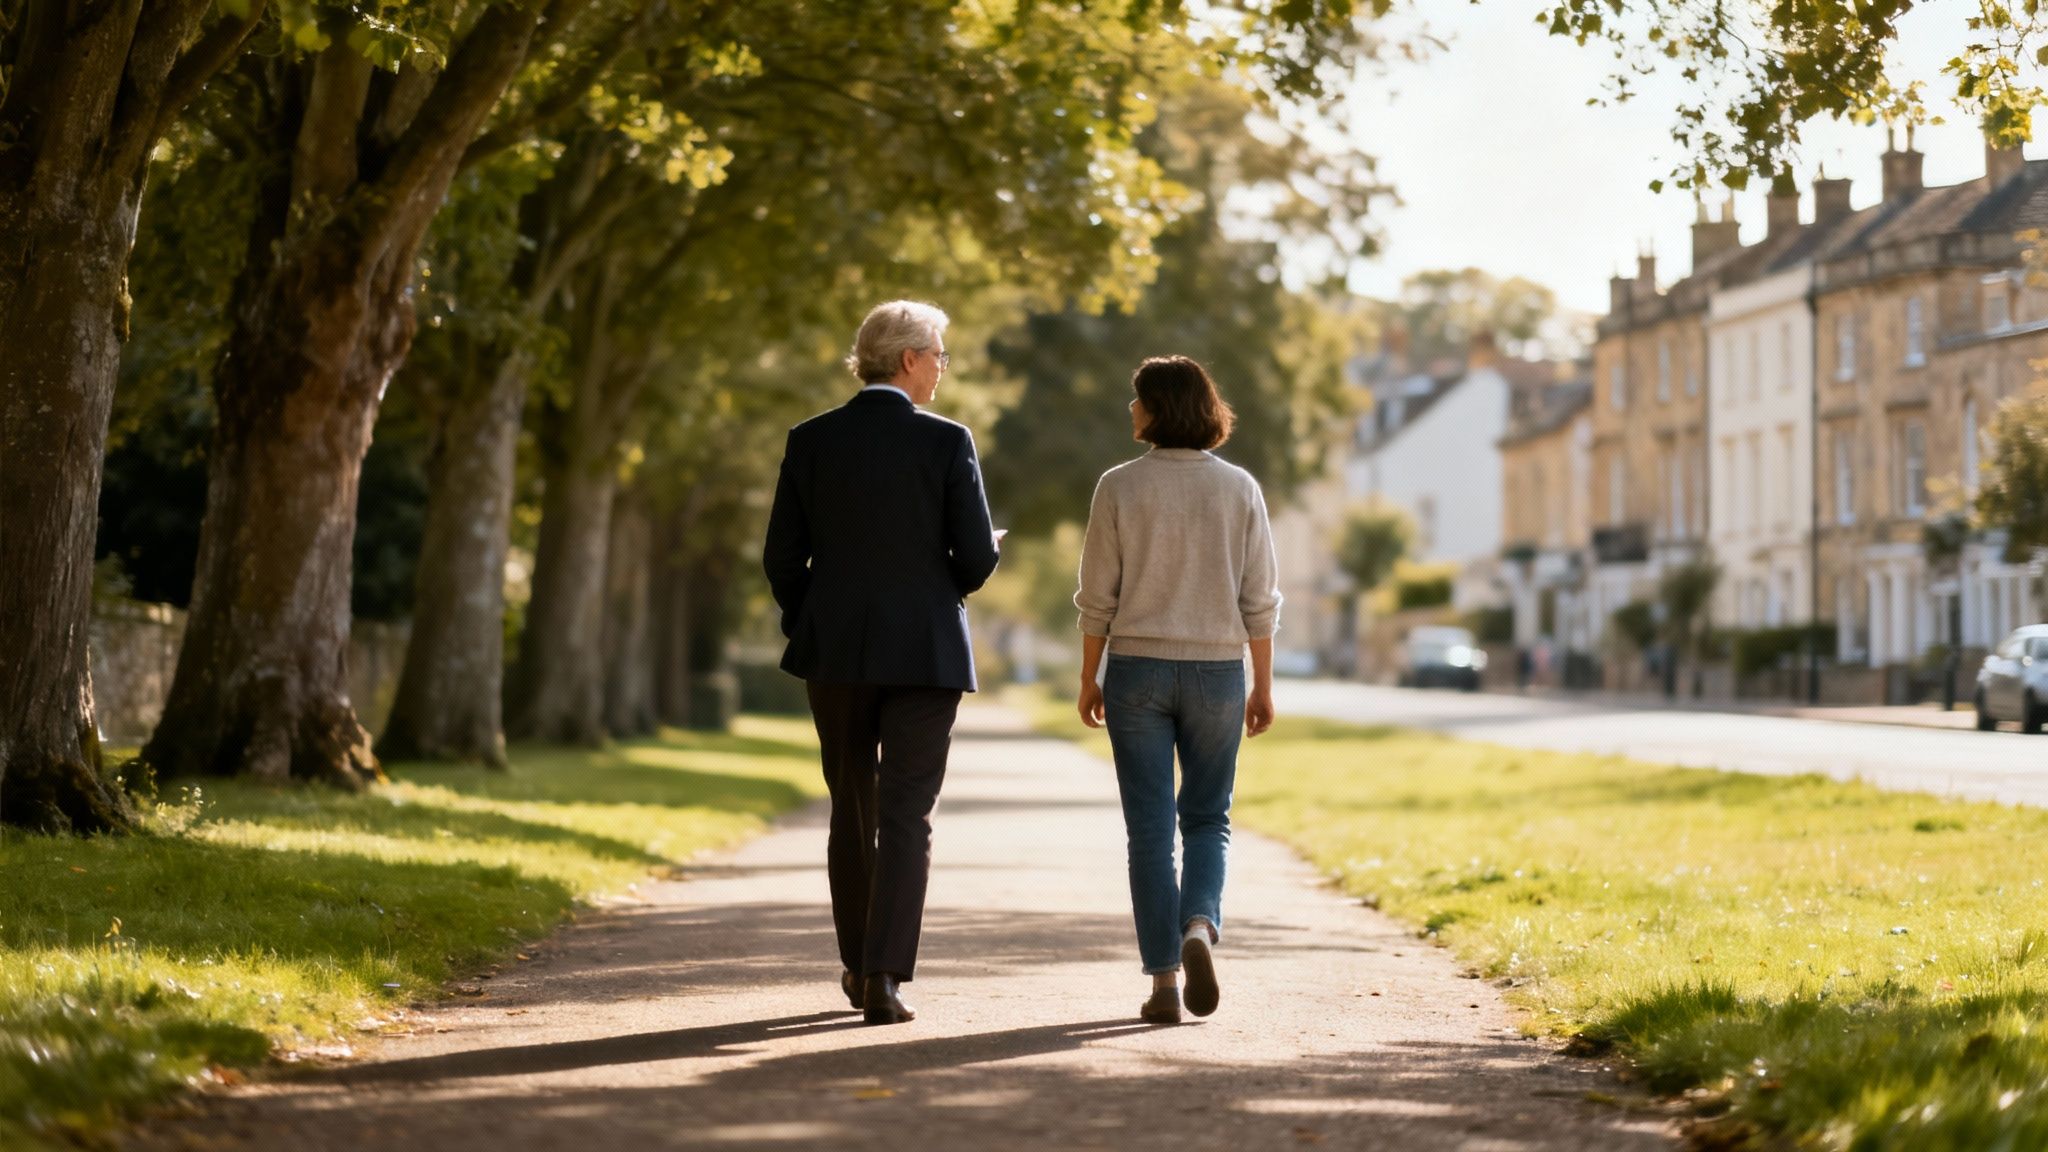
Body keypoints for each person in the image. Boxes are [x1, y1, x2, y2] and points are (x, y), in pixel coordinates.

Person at [762, 300, 1001, 1026]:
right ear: (908, 360)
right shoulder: (948, 442)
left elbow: (781, 557)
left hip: (835, 650)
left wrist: (814, 615)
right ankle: (884, 977)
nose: (941, 369)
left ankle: (858, 962)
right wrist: (934, 594)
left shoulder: (810, 440)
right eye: (938, 355)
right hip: (926, 652)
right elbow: (977, 557)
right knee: (906, 815)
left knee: (852, 807)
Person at [1074, 355, 1281, 1025]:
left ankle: (1164, 983)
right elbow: (1261, 598)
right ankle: (1200, 926)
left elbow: (1096, 597)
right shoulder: (1240, 487)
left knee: (1149, 832)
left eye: (1136, 400)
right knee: (1208, 818)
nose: (1129, 411)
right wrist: (1263, 683)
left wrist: (1090, 676)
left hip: (1135, 668)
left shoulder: (1118, 487)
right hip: (1219, 672)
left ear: (1158, 408)